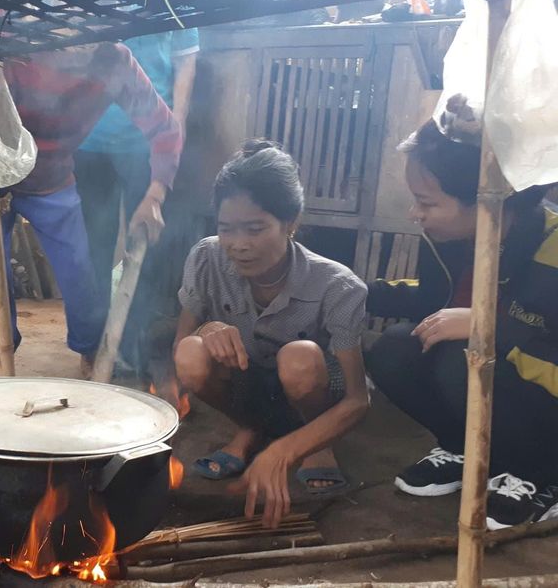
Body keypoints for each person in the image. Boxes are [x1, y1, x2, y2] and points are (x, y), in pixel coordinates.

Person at [365, 117, 558, 529]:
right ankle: (465, 449)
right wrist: (355, 291)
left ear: (487, 199)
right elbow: (431, 302)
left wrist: (488, 326)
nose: (416, 214)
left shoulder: (553, 248)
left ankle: (541, 473)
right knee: (395, 348)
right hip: (499, 379)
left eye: (428, 202)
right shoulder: (448, 240)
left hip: (547, 403)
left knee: (462, 357)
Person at [173, 140, 369, 528]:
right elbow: (181, 343)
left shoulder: (338, 286)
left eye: (255, 228)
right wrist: (208, 328)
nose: (239, 245)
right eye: (226, 229)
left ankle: (316, 442)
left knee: (298, 358)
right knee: (191, 355)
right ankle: (250, 428)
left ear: (291, 222)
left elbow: (357, 400)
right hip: (252, 383)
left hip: (312, 391)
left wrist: (284, 452)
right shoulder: (205, 257)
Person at [0, 43, 183, 374]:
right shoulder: (10, 46)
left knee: (79, 271)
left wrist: (155, 196)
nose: (82, 45)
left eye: (94, 36)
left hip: (53, 177)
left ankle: (90, 356)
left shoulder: (115, 60)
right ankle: (1, 363)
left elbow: (165, 129)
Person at [73, 29, 198, 373]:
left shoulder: (171, 4)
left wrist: (175, 134)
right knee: (92, 247)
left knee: (144, 244)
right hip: (89, 140)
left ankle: (132, 345)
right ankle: (93, 348)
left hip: (146, 142)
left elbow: (186, 63)